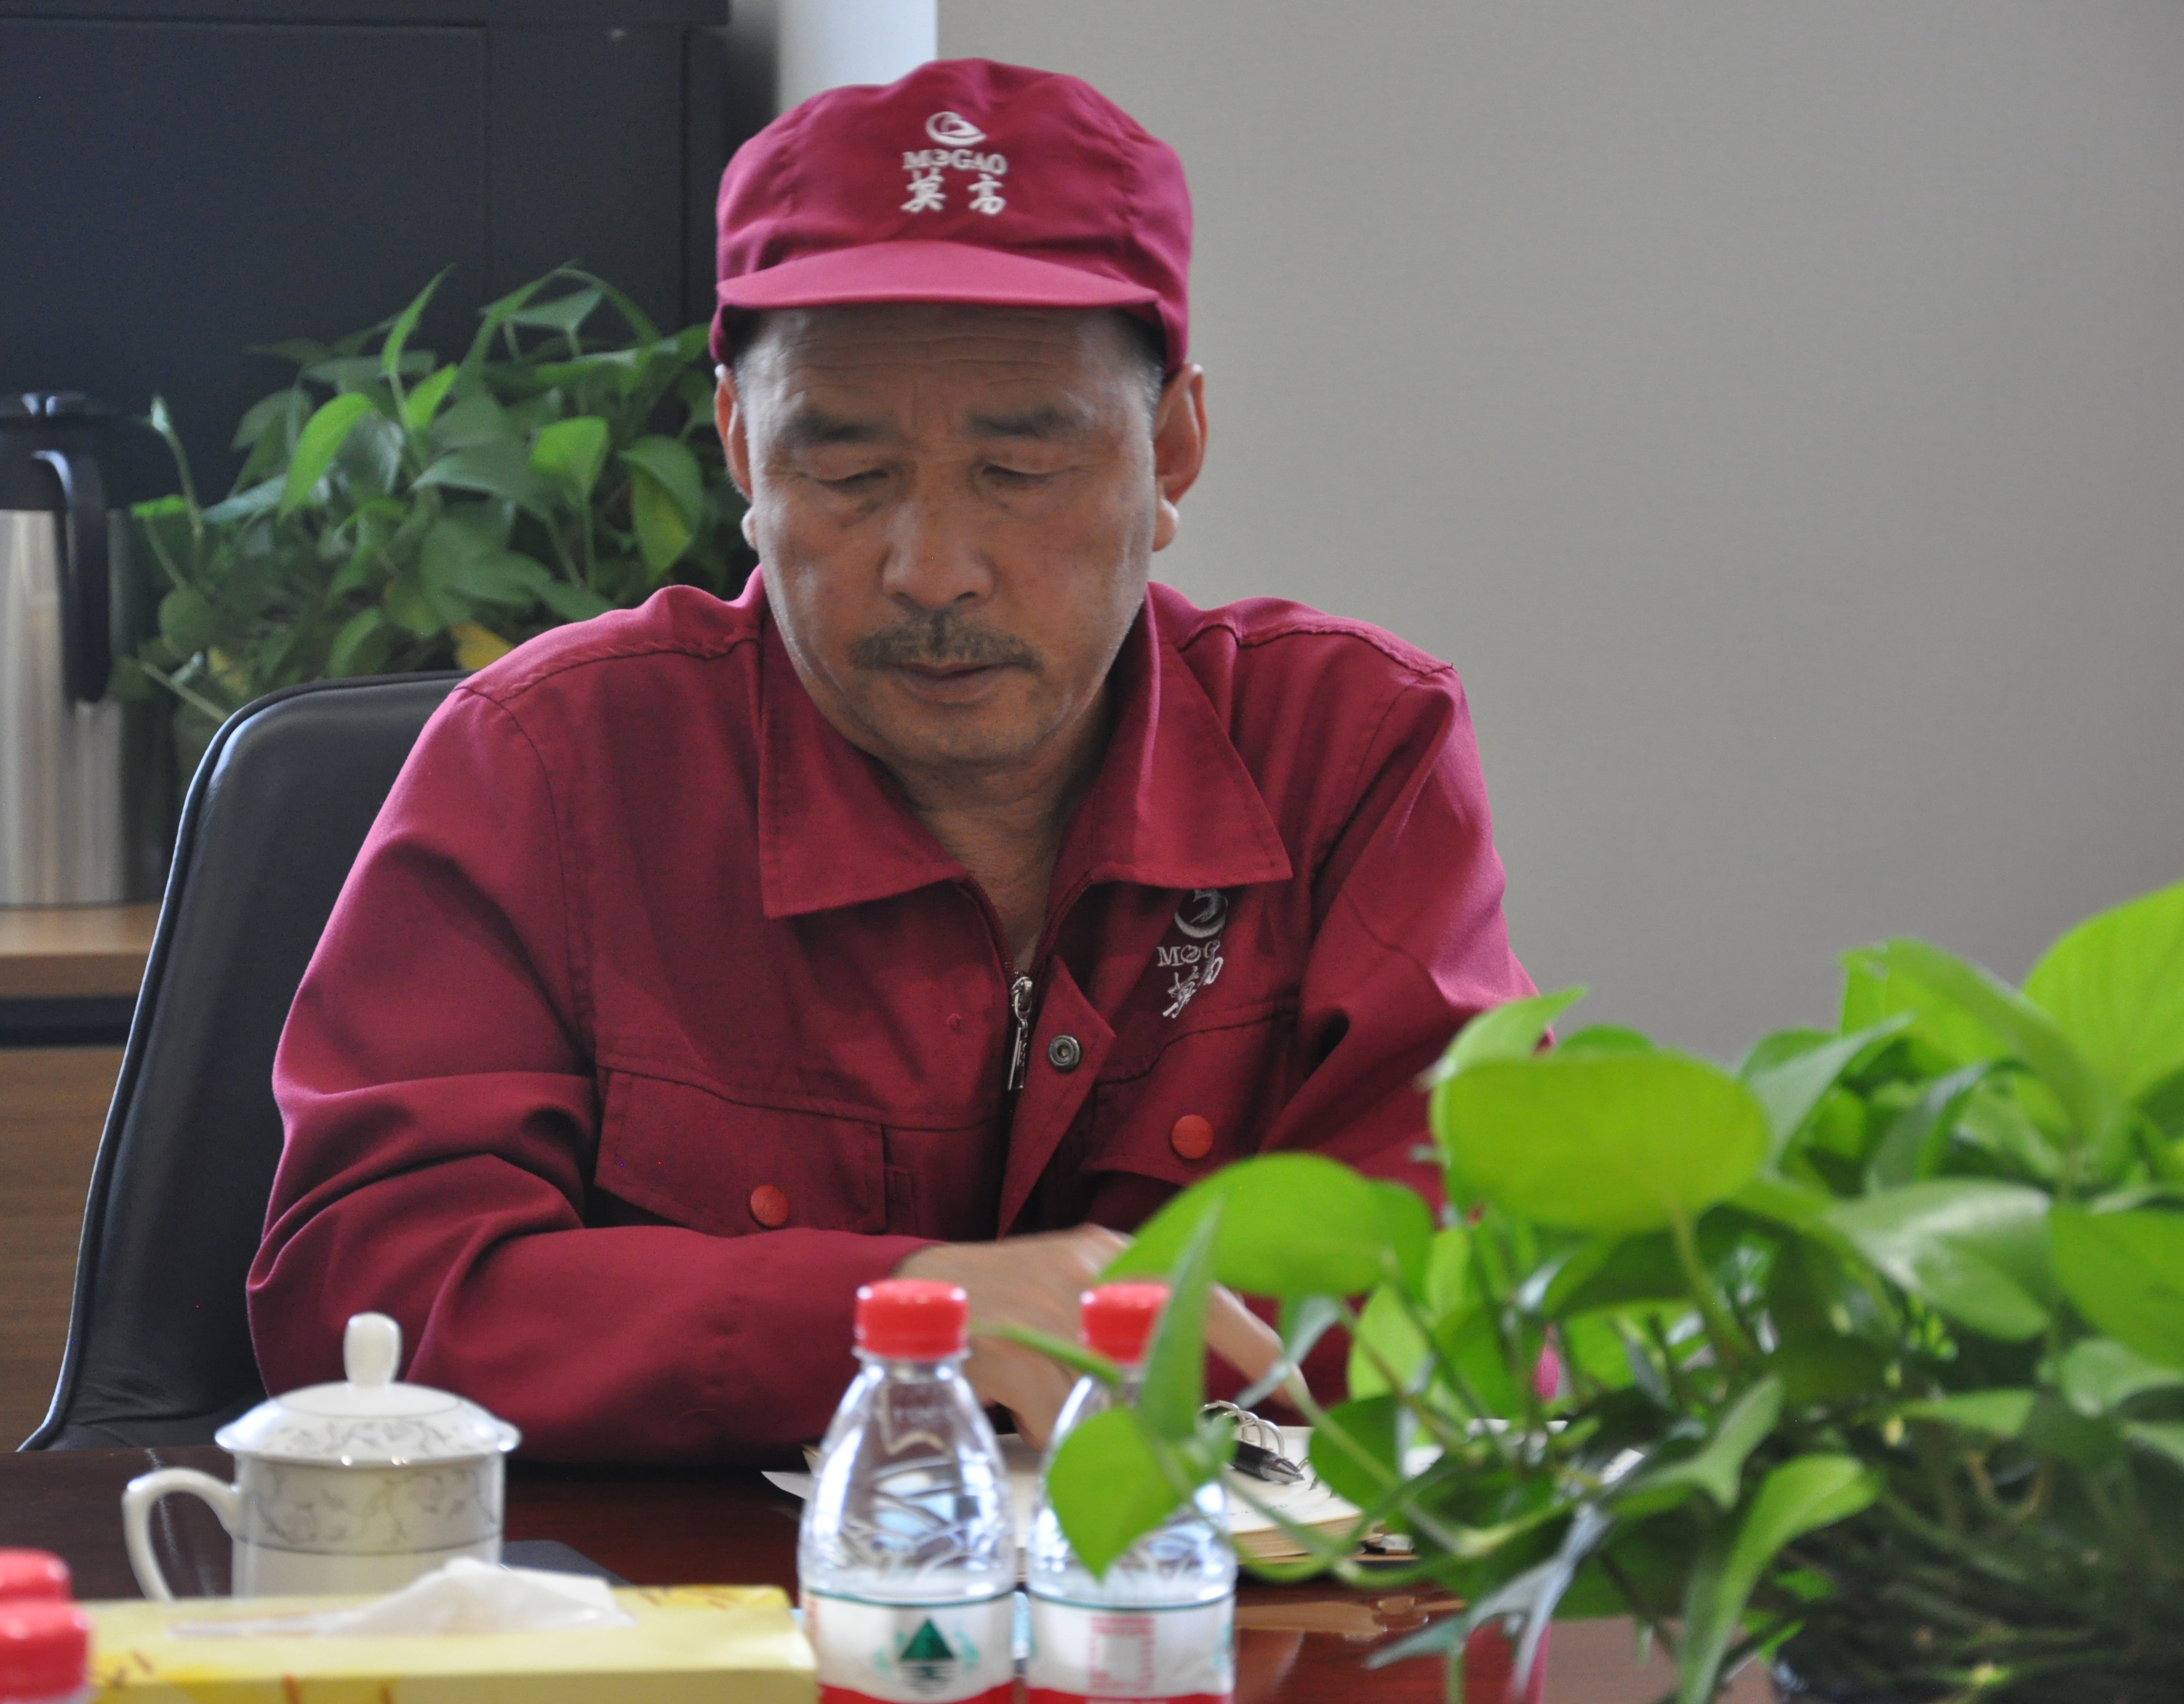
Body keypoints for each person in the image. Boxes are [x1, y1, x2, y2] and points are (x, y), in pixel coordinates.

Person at [248, 57, 1537, 1461]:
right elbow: (367, 1297)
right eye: (848, 471)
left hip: (1204, 1587)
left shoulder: (1345, 753)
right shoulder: (548, 766)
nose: (933, 571)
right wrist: (892, 1317)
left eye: (1018, 470)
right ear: (741, 450)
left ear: (1169, 451)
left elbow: (1472, 1287)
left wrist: (1066, 1333)